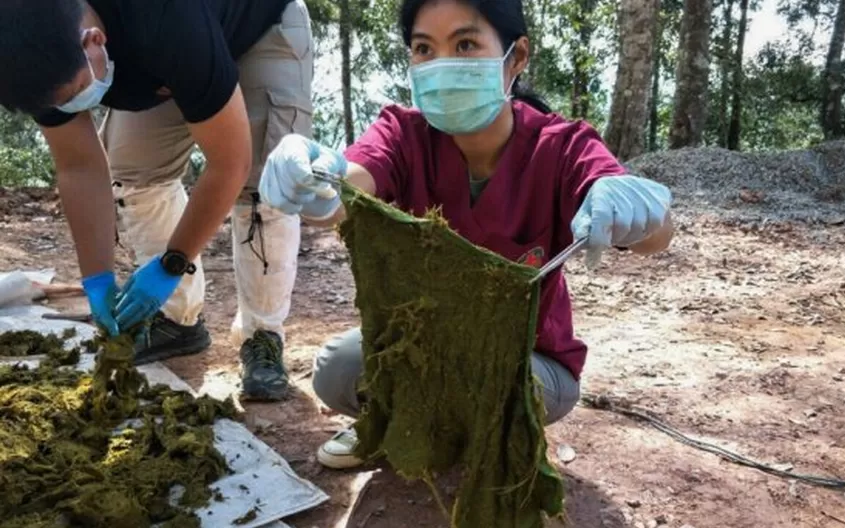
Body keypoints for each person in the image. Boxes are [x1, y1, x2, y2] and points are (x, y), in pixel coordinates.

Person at [259, 0, 675, 468]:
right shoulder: (402, 133)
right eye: (424, 48)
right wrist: (317, 178)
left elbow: (653, 236)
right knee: (338, 371)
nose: (442, 65)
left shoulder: (563, 146)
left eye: (465, 44)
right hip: (422, 343)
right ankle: (403, 425)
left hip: (527, 359)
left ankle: (445, 428)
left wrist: (642, 212)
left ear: (515, 58)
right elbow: (349, 186)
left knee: (507, 389)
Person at [0, 0, 316, 400]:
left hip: (259, 28)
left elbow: (229, 162)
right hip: (167, 58)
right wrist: (97, 280)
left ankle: (262, 337)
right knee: (135, 171)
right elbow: (79, 167)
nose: (71, 108)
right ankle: (175, 320)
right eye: (58, 104)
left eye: (77, 92)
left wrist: (172, 263)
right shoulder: (35, 48)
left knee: (263, 186)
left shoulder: (165, 19)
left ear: (93, 40)